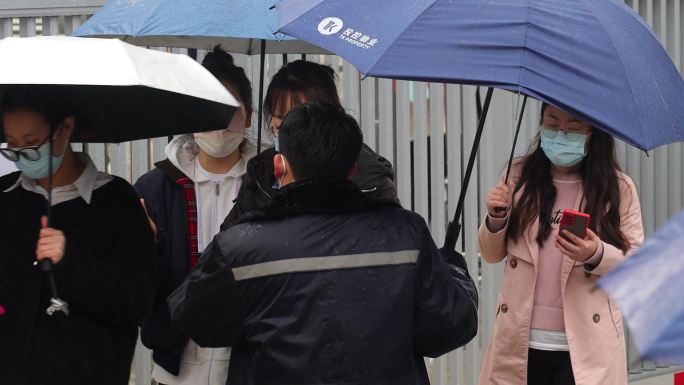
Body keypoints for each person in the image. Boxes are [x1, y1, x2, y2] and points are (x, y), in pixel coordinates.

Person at [168, 101, 479, 385]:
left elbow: (193, 317)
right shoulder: (406, 234)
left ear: (279, 166)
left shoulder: (242, 246)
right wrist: (454, 267)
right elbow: (448, 327)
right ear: (353, 169)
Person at [477, 103, 644, 385]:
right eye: (552, 124)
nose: (561, 134)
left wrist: (596, 254)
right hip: (520, 341)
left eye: (574, 129)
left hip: (585, 347)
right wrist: (496, 217)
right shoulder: (517, 177)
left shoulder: (618, 189)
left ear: (594, 134)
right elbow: (491, 254)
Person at [0, 85, 155, 385]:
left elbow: (137, 299)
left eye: (32, 143)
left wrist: (69, 262)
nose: (22, 155)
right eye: (12, 145)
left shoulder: (115, 201)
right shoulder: (5, 198)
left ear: (66, 127)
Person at [133, 46, 255, 385]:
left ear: (249, 115)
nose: (218, 124)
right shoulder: (154, 188)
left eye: (229, 109)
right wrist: (146, 246)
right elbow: (140, 288)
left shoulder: (268, 185)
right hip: (176, 366)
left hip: (249, 364)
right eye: (206, 107)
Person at [222, 60, 398, 228]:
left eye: (301, 118)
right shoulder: (261, 174)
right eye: (280, 119)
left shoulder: (371, 178)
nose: (290, 130)